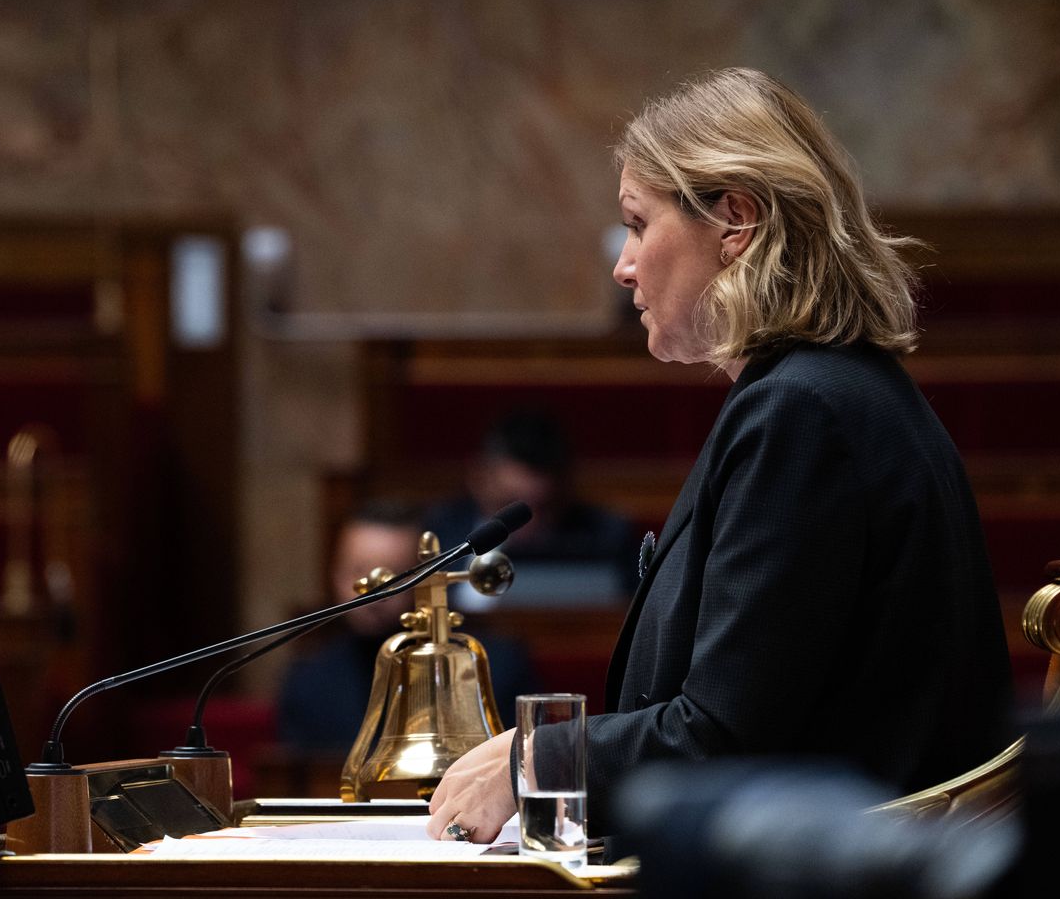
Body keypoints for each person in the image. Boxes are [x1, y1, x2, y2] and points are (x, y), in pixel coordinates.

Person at [425, 67, 1015, 845]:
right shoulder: (827, 391)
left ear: (735, 221)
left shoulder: (802, 412)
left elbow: (727, 737)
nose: (623, 265)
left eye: (638, 224)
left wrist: (536, 761)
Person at [276, 500, 536, 751]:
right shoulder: (309, 680)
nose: (373, 591)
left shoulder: (493, 668)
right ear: (334, 574)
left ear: (427, 578)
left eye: (393, 575)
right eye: (357, 571)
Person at [424, 408, 637, 610]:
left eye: (544, 508)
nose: (528, 525)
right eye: (512, 508)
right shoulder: (439, 532)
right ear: (480, 479)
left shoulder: (607, 537)